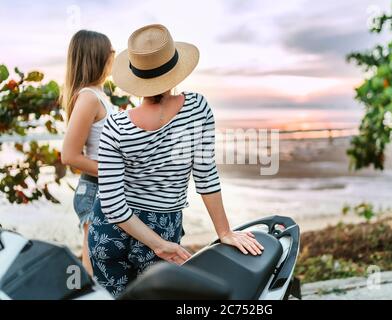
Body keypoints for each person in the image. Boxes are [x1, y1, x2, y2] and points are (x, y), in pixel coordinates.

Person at [88, 24, 264, 295]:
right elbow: (205, 175)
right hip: (162, 224)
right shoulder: (196, 108)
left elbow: (112, 203)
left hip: (108, 232)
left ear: (135, 76)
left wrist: (156, 243)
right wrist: (224, 232)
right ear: (174, 70)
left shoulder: (116, 125)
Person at [61, 30, 116, 275]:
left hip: (103, 187)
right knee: (94, 272)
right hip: (95, 190)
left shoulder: (100, 95)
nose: (115, 55)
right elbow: (70, 156)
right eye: (111, 50)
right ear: (98, 57)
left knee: (104, 268)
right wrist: (116, 172)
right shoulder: (88, 97)